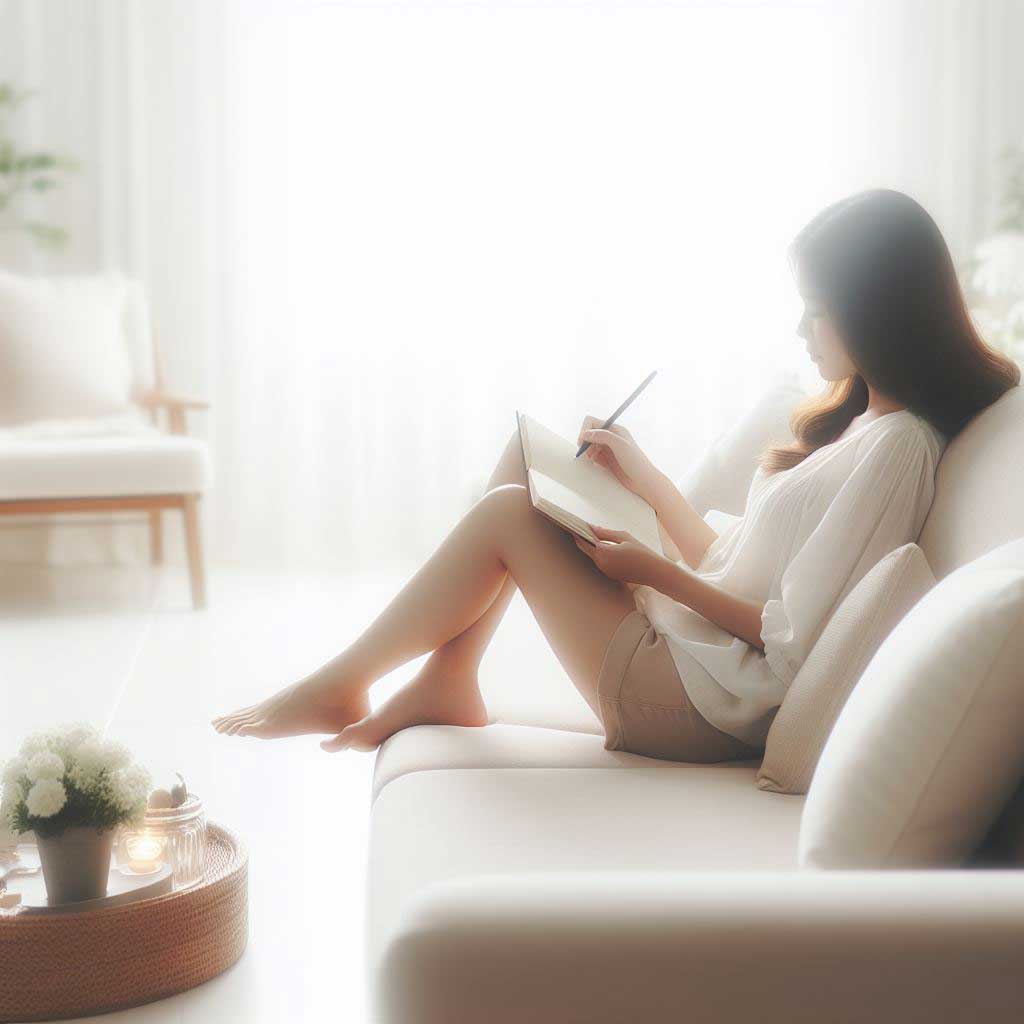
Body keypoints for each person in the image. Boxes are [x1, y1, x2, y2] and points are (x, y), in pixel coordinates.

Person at [211, 188, 1020, 762]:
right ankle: (447, 676)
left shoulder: (898, 449)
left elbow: (792, 635)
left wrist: (650, 570)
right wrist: (647, 478)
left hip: (700, 710)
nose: (800, 327)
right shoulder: (863, 426)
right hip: (694, 663)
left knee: (506, 513)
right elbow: (735, 562)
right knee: (527, 461)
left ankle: (342, 683)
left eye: (816, 307)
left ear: (875, 307)